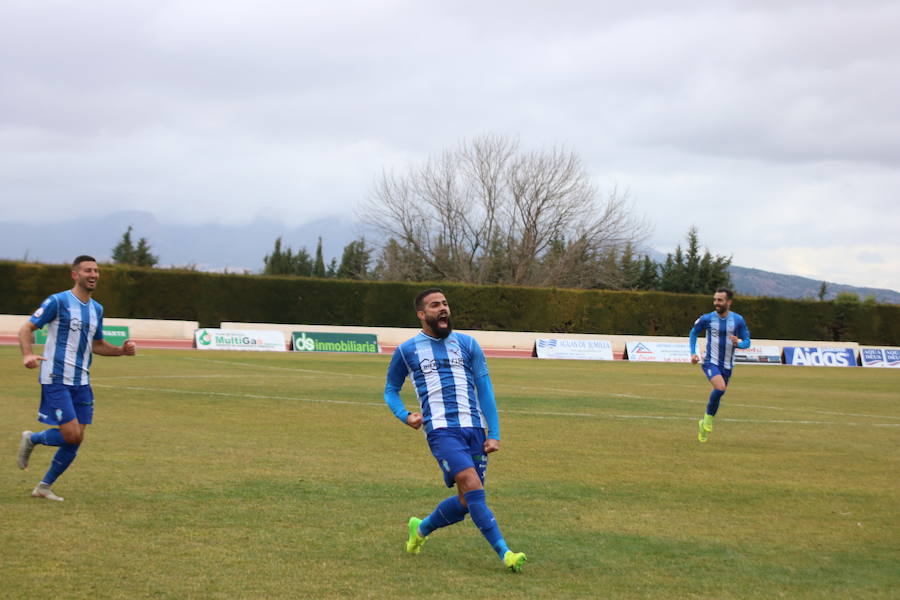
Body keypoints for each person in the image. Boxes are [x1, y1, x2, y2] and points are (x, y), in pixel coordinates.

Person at [383, 288, 527, 573]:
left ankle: (420, 529)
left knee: (465, 502)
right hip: (441, 431)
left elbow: (484, 389)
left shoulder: (468, 344)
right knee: (473, 487)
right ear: (422, 315)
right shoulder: (408, 350)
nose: (443, 308)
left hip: (474, 429)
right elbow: (390, 390)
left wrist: (494, 432)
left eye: (446, 303)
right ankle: (505, 553)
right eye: (435, 305)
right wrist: (405, 415)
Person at [16, 255, 136, 501]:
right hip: (56, 377)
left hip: (82, 380)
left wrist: (121, 351)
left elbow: (98, 345)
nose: (93, 275)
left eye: (97, 271)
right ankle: (33, 438)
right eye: (88, 270)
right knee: (72, 435)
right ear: (75, 274)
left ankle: (44, 487)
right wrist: (27, 354)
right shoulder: (58, 301)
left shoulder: (97, 309)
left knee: (76, 439)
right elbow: (26, 328)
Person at [689, 287, 751, 443]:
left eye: (720, 300)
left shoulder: (738, 320)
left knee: (718, 395)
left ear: (728, 302)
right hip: (710, 362)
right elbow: (693, 332)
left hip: (727, 365)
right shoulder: (707, 318)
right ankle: (708, 420)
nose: (716, 303)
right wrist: (693, 352)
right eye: (715, 299)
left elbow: (747, 341)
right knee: (720, 387)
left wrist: (740, 343)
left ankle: (704, 424)